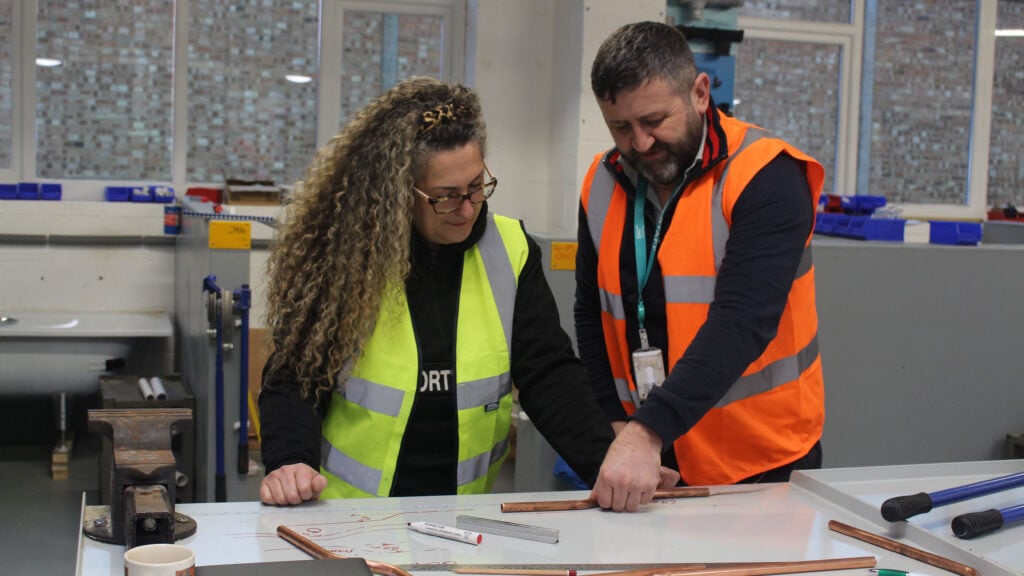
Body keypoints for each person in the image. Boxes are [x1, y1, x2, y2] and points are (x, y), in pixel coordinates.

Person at [258, 76, 676, 506]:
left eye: (477, 186)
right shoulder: (348, 259)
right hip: (348, 516)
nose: (466, 209)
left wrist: (606, 464)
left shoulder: (511, 251)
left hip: (459, 517)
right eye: (445, 197)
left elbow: (549, 373)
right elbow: (294, 379)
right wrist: (290, 461)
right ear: (401, 192)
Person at [578, 21, 826, 507]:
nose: (641, 144)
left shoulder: (766, 174)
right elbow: (592, 311)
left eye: (654, 120)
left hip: (761, 462)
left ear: (699, 92)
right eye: (620, 127)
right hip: (653, 460)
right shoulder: (602, 180)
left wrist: (646, 432)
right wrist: (615, 422)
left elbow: (743, 321)